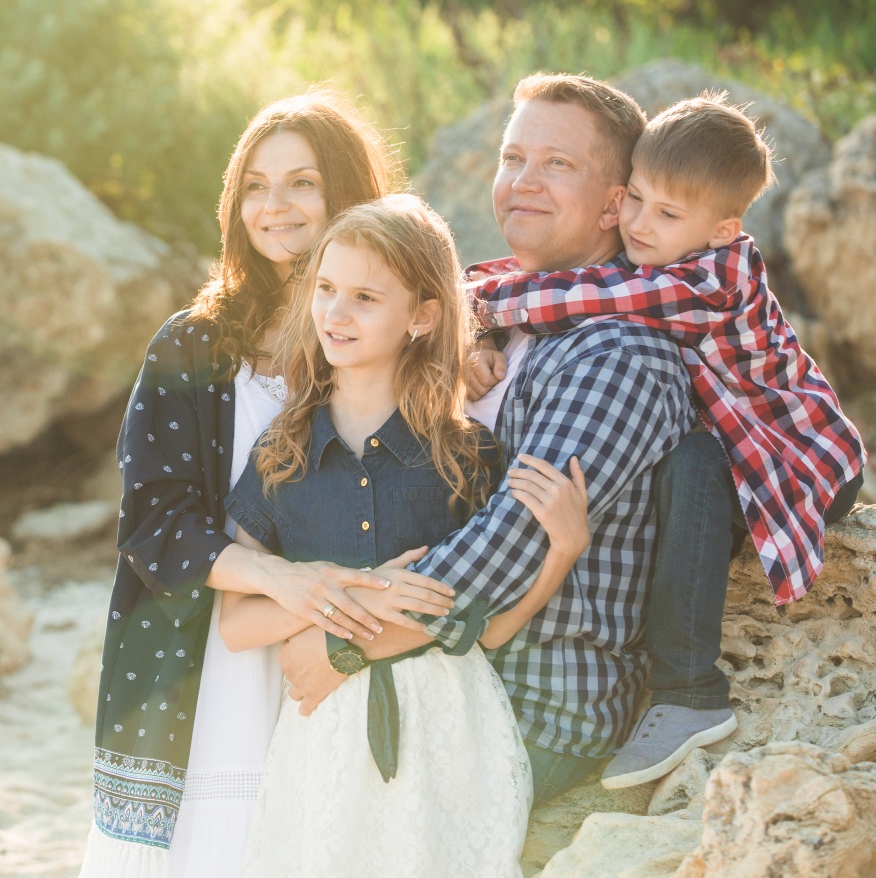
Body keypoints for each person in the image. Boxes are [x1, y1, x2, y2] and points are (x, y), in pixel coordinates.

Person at [276, 73, 696, 807]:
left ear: (616, 202)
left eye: (557, 164)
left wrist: (348, 639)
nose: (523, 182)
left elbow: (515, 537)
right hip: (444, 665)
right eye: (512, 159)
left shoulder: (620, 352)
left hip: (534, 704)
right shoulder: (503, 317)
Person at [465, 91, 867, 789]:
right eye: (639, 203)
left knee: (694, 469)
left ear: (722, 228)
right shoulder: (643, 263)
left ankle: (688, 691)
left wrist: (465, 310)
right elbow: (565, 284)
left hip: (797, 453)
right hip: (737, 439)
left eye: (666, 213)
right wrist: (470, 328)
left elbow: (588, 297)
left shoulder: (704, 279)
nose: (641, 227)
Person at [80, 89, 418, 877]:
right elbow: (152, 524)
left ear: (347, 192)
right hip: (206, 663)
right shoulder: (193, 345)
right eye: (256, 186)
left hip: (350, 644)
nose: (276, 206)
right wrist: (285, 580)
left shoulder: (383, 338)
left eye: (303, 181)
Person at [218, 194, 589, 876]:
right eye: (326, 289)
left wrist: (562, 553)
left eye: (365, 297)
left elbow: (490, 630)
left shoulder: (465, 455)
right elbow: (237, 622)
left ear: (422, 316)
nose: (335, 313)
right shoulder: (283, 453)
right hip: (323, 731)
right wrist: (356, 598)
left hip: (454, 729)